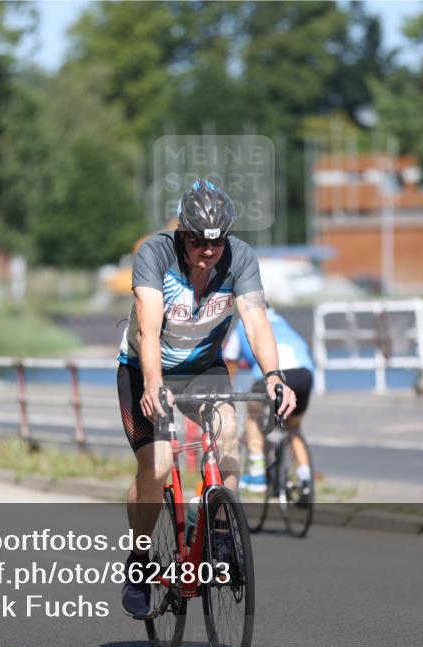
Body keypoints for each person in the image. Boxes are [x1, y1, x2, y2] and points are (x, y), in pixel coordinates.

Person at [116, 179, 296, 619]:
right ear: (182, 233)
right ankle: (140, 561)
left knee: (229, 435)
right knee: (156, 467)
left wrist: (274, 376)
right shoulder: (156, 254)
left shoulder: (240, 259)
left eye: (216, 241)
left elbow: (255, 321)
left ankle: (218, 532)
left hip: (202, 368)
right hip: (145, 367)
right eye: (198, 240)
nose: (208, 250)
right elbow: (148, 327)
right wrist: (155, 381)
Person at [223, 305, 314, 495]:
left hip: (273, 378)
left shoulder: (243, 323)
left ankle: (257, 472)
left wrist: (227, 391)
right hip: (303, 374)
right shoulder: (282, 322)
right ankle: (305, 479)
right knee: (293, 427)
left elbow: (229, 361)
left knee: (252, 413)